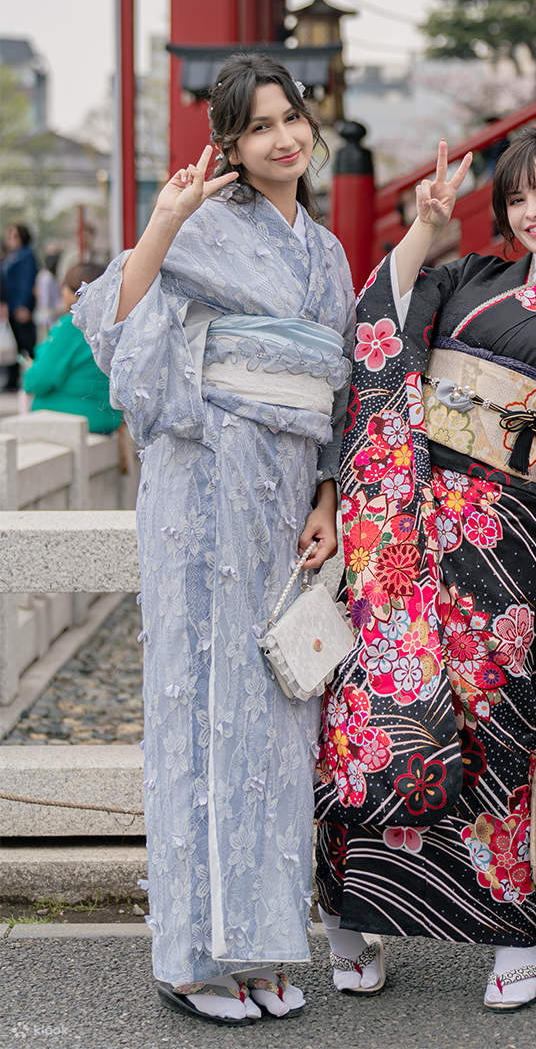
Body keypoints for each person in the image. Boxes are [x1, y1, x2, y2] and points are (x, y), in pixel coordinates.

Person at [315, 124, 536, 1010]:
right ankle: (354, 919)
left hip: (508, 548)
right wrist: (425, 225)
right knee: (381, 710)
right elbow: (378, 325)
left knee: (494, 728)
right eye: (517, 198)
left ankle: (509, 944)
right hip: (410, 532)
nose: (533, 211)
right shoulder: (470, 280)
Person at [74, 53, 355, 1024]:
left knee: (276, 715)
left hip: (283, 500)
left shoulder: (325, 253)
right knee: (198, 707)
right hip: (202, 488)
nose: (286, 136)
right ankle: (190, 958)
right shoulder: (198, 231)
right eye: (261, 125)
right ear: (229, 144)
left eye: (293, 118)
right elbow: (107, 329)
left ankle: (265, 944)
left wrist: (328, 493)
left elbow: (337, 388)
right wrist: (163, 220)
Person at [23, 262, 123, 433]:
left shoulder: (71, 326)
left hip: (76, 419)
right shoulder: (114, 323)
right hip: (108, 416)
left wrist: (30, 369)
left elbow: (38, 381)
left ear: (73, 293)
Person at [1, 223, 38, 389]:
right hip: (10, 306)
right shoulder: (11, 256)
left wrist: (23, 305)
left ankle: (33, 376)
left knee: (26, 345)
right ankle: (12, 381)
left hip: (19, 306)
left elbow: (26, 283)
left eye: (14, 236)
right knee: (14, 345)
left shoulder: (26, 256)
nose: (11, 240)